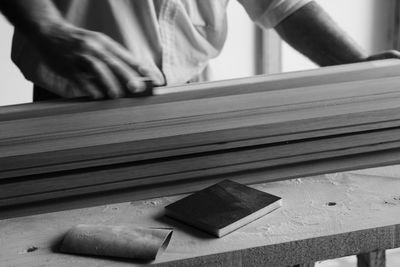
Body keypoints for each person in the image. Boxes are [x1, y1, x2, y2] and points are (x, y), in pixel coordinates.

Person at [1, 0, 399, 101]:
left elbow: (282, 3)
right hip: (72, 98)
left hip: (189, 93)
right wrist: (47, 26)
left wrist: (360, 67)